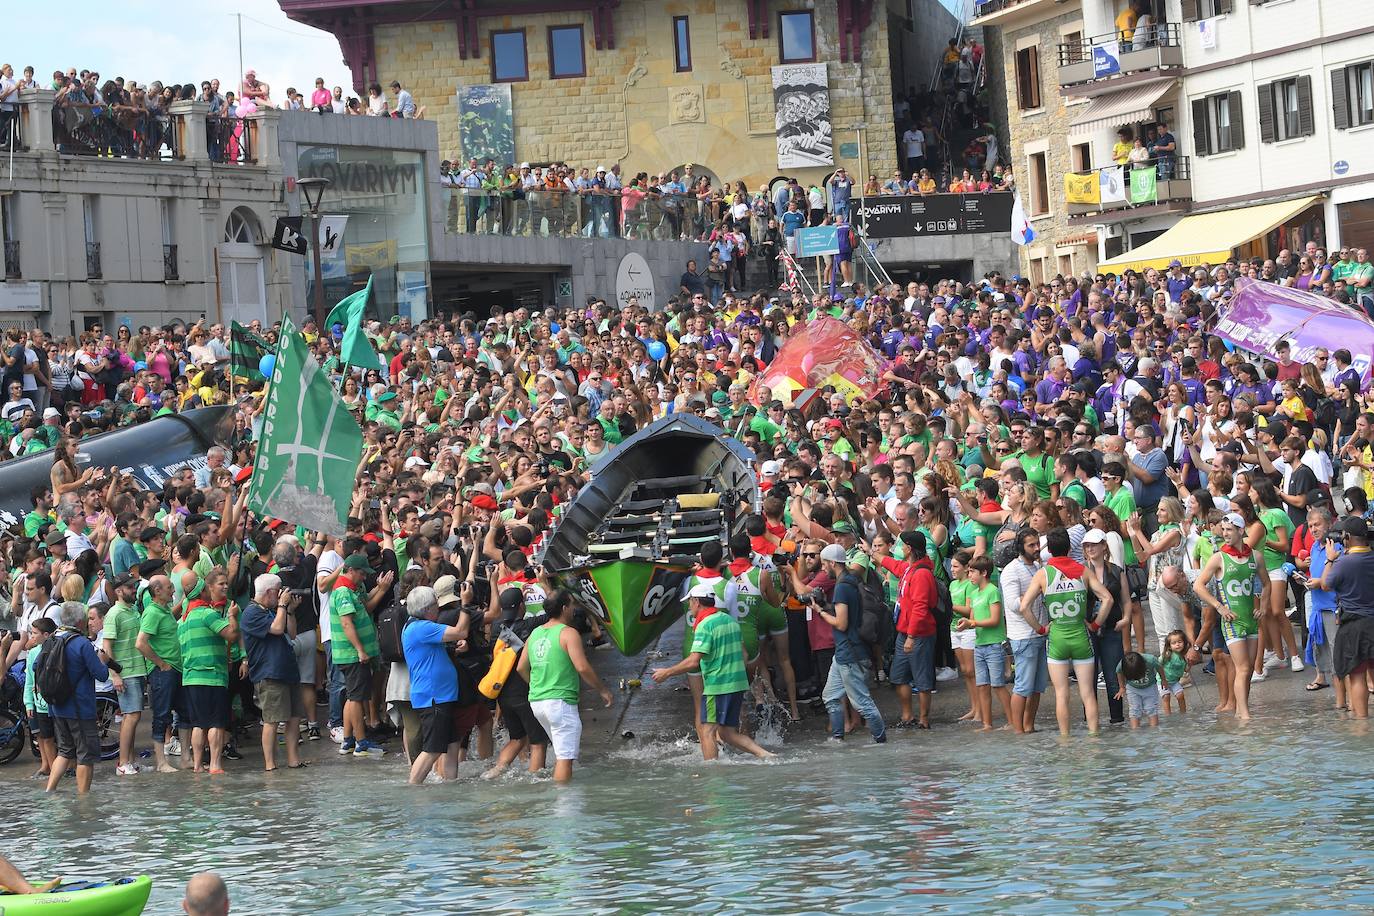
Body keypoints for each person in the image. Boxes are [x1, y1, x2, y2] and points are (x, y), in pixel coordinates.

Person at [651, 582, 776, 761]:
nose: (689, 606)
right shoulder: (730, 621)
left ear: (697, 602)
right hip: (737, 684)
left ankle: (712, 772)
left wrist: (667, 672)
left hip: (717, 686)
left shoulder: (705, 625)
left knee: (706, 729)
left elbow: (694, 660)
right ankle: (766, 755)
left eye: (690, 602)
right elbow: (744, 655)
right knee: (726, 733)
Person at [1018, 527, 1115, 736]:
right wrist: (1096, 624)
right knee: (1088, 693)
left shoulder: (1043, 574)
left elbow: (1024, 606)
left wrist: (1041, 629)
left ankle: (1064, 739)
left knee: (1061, 694)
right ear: (1070, 549)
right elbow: (1107, 599)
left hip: (1057, 638)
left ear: (1049, 551)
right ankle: (1094, 736)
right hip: (1081, 635)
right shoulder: (1082, 571)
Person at [518, 588, 613, 783]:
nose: (573, 609)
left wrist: (537, 686)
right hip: (560, 703)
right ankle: (563, 806)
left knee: (562, 752)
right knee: (565, 758)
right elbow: (582, 667)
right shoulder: (569, 633)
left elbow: (521, 667)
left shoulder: (535, 633)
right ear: (564, 608)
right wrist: (602, 690)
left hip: (537, 703)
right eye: (571, 605)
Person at [1192, 512, 1267, 720]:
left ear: (1241, 531)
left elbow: (1267, 584)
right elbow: (1198, 585)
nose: (1224, 534)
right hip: (1232, 621)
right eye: (1223, 530)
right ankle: (1244, 714)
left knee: (1249, 669)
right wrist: (1219, 607)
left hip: (1251, 620)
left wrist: (1264, 607)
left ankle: (1242, 710)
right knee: (1242, 667)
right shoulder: (1219, 557)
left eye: (1229, 530)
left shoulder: (1256, 556)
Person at [813, 544, 886, 743]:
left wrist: (819, 611)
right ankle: (837, 738)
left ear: (832, 563)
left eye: (824, 564)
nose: (823, 569)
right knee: (830, 696)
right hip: (846, 652)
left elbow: (841, 623)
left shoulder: (842, 587)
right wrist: (827, 607)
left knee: (862, 703)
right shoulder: (852, 580)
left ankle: (881, 742)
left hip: (850, 653)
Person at [400, 585, 468, 784]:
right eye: (436, 605)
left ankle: (450, 783)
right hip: (434, 696)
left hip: (441, 696)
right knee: (433, 748)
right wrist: (465, 604)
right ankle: (413, 786)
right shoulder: (422, 627)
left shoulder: (415, 626)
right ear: (428, 609)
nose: (438, 608)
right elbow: (461, 631)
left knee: (453, 743)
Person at [239, 574, 306, 771]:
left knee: (294, 718)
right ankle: (270, 764)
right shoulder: (251, 613)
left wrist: (290, 611)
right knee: (272, 719)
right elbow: (276, 629)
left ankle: (293, 760)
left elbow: (290, 633)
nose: (281, 595)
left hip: (288, 670)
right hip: (269, 674)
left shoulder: (271, 610)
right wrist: (282, 607)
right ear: (269, 592)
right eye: (278, 592)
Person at [41, 601, 108, 794]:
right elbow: (101, 675)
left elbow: (38, 666)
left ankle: (50, 790)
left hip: (56, 707)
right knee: (85, 754)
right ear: (80, 621)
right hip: (80, 708)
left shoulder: (51, 640)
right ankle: (83, 798)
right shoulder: (82, 644)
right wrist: (102, 662)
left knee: (65, 751)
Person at [1315, 515, 1374, 719]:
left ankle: (1361, 724)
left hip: (1353, 626)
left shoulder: (1344, 563)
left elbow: (1325, 584)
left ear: (1346, 537)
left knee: (1357, 676)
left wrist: (1330, 558)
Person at [1115, 651, 1167, 728]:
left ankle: (1154, 730)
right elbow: (1119, 672)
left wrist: (1163, 680)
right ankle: (1135, 731)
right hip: (1132, 689)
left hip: (1150, 687)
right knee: (1134, 710)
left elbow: (1159, 667)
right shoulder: (1122, 664)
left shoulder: (1151, 660)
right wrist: (1122, 687)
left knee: (1151, 709)